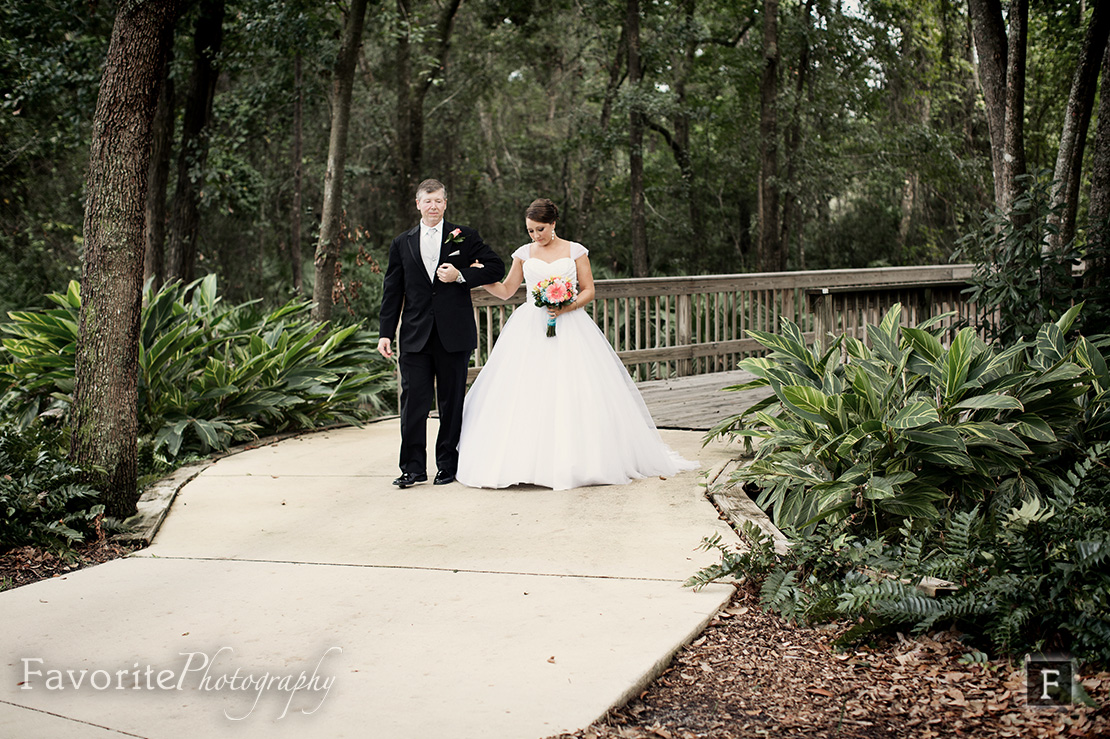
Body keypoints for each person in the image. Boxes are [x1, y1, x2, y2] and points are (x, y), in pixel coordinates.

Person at [456, 198, 697, 490]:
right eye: (530, 231)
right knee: (527, 391)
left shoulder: (575, 251)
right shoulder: (523, 253)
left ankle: (579, 461)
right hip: (530, 325)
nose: (535, 236)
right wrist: (481, 276)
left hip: (570, 324)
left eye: (540, 229)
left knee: (575, 390)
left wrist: (566, 307)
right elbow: (507, 291)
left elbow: (589, 290)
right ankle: (525, 464)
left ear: (553, 223)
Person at [378, 179, 505, 488]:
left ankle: (447, 465)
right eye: (427, 201)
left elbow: (496, 267)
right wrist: (385, 333)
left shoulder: (465, 236)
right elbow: (392, 291)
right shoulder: (402, 242)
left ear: (445, 204)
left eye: (438, 200)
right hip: (415, 336)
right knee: (413, 404)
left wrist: (462, 275)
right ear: (418, 204)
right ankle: (413, 468)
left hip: (453, 334)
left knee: (451, 404)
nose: (433, 206)